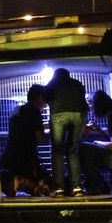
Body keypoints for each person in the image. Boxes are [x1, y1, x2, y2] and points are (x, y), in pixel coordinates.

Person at [44, 68, 88, 197]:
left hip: (58, 113)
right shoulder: (77, 83)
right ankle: (77, 188)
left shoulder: (52, 83)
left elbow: (47, 99)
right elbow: (82, 97)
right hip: (79, 114)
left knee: (58, 151)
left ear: (55, 75)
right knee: (73, 150)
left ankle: (59, 189)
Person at [1, 84, 50, 196]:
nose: (46, 103)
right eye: (45, 99)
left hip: (10, 156)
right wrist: (54, 134)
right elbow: (40, 139)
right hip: (26, 158)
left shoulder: (17, 110)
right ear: (39, 97)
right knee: (41, 187)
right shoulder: (34, 112)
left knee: (13, 193)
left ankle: (15, 183)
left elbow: (26, 127)